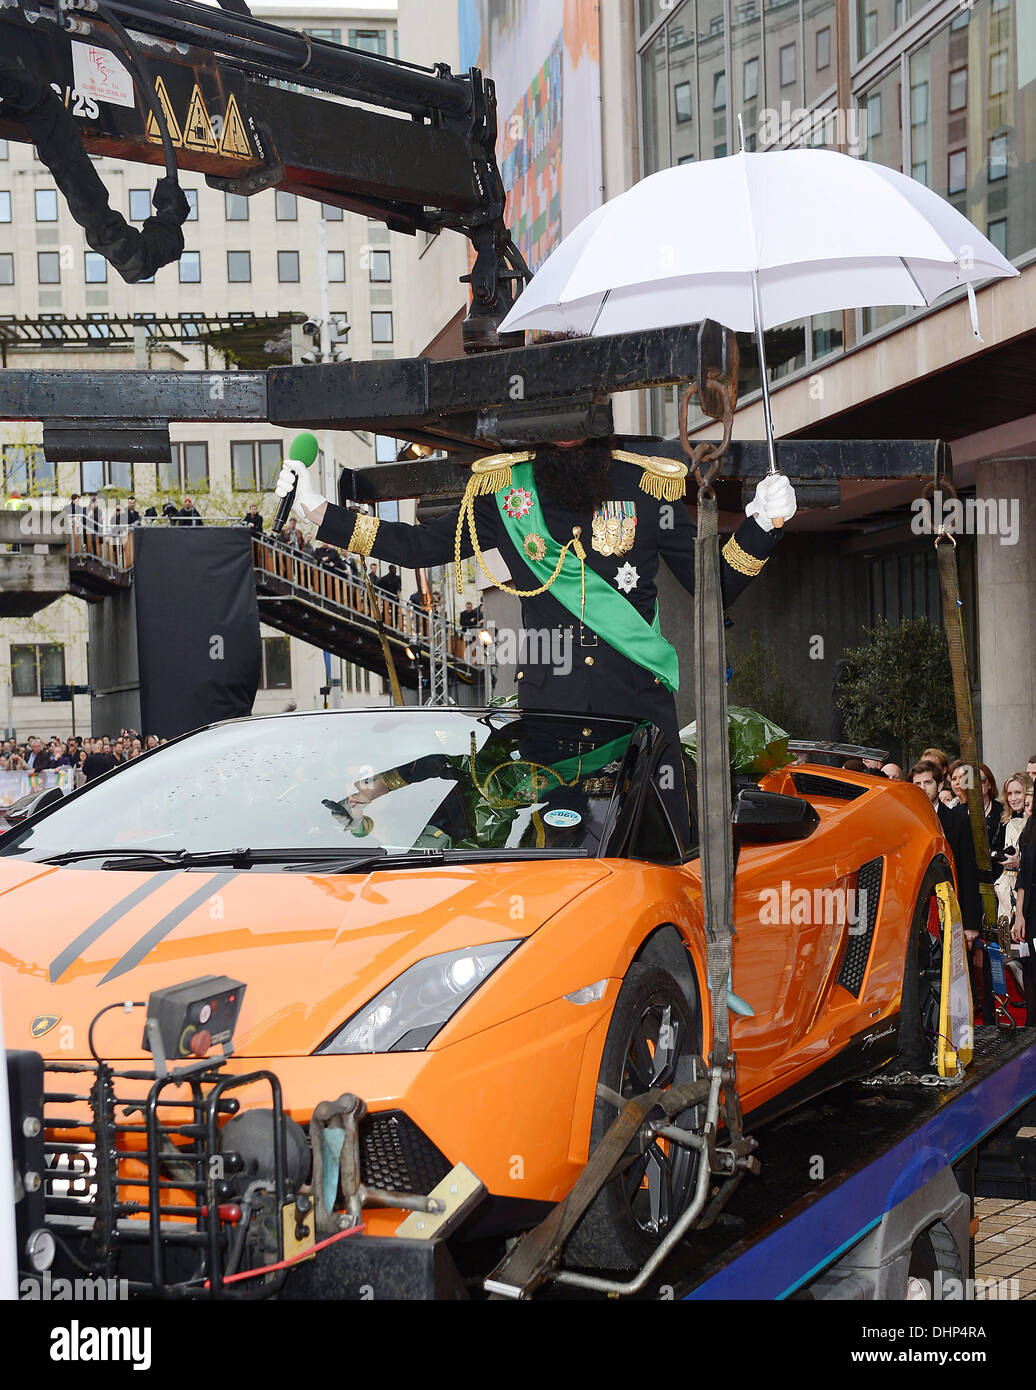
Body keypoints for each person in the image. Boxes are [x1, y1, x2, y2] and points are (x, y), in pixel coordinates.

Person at [277, 434, 797, 847]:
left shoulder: (645, 485)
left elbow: (715, 585)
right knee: (563, 875)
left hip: (639, 719)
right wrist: (321, 513)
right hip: (552, 726)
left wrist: (764, 524)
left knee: (665, 858)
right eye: (554, 423)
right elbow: (418, 545)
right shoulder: (505, 492)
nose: (567, 436)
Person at [910, 758, 1000, 1027]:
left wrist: (972, 923)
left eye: (928, 782)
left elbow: (967, 871)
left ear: (940, 784)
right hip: (920, 908)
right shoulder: (909, 818)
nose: (923, 787)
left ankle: (969, 1023)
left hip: (954, 904)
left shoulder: (958, 818)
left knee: (962, 968)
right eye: (917, 783)